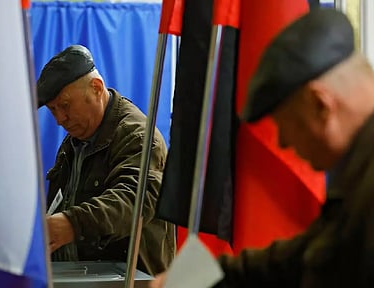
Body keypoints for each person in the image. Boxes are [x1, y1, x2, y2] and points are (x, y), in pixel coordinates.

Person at [151, 8, 374, 288]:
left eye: (287, 127)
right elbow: (305, 256)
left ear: (320, 105)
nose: (282, 144)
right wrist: (199, 278)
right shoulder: (358, 171)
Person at [37, 44, 176, 275]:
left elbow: (133, 200)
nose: (60, 119)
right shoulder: (76, 139)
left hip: (130, 278)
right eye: (53, 110)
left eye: (65, 106)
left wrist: (73, 224)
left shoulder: (138, 136)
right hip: (84, 275)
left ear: (96, 88)